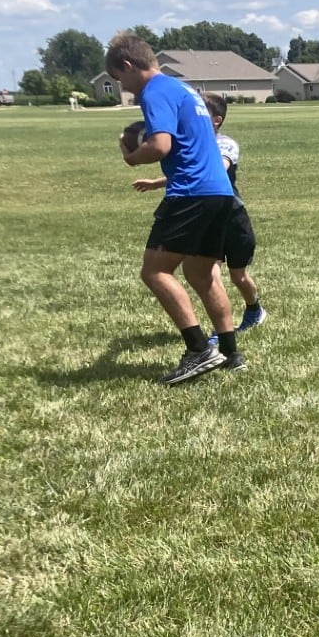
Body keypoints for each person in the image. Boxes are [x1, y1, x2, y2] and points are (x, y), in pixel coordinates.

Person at [108, 30, 248, 384]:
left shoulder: (154, 92)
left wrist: (131, 157)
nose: (123, 87)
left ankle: (199, 349)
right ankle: (232, 352)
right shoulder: (183, 89)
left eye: (119, 78)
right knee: (201, 275)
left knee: (155, 271)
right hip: (219, 192)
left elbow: (159, 146)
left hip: (190, 193)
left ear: (127, 65)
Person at [131, 90, 265, 333]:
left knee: (239, 277)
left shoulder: (225, 144)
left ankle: (254, 307)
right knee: (210, 272)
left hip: (232, 218)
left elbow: (218, 167)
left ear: (216, 121)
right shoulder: (193, 144)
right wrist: (156, 182)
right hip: (206, 216)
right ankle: (222, 330)